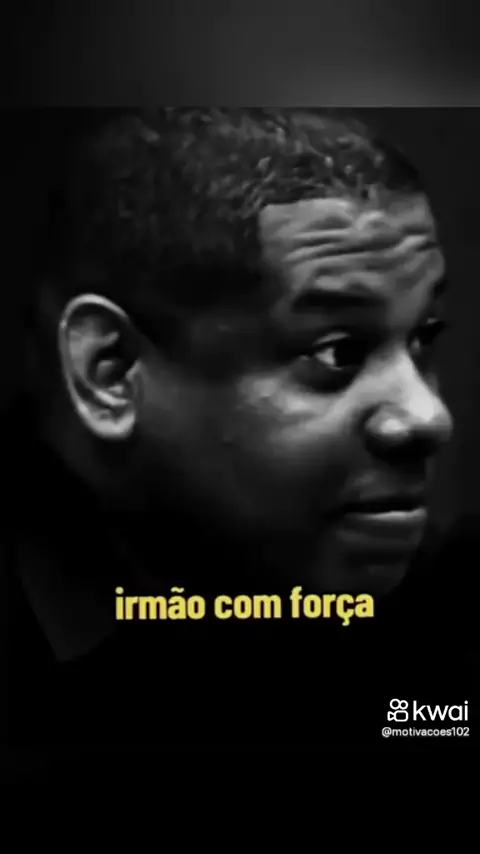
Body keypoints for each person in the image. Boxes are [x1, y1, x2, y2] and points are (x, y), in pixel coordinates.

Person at [4, 108, 474, 759]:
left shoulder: (420, 613)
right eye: (338, 351)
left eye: (423, 338)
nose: (428, 415)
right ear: (109, 372)